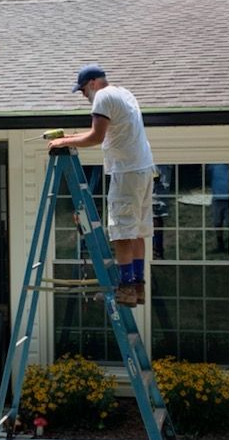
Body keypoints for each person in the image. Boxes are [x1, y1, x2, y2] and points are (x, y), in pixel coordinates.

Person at [49, 64, 153, 307]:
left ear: (93, 83)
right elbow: (102, 132)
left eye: (84, 91)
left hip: (126, 171)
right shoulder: (123, 93)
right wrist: (70, 139)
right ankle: (137, 287)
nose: (85, 96)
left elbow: (96, 137)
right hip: (143, 169)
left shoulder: (102, 98)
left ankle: (125, 289)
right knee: (137, 231)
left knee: (121, 232)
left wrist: (63, 142)